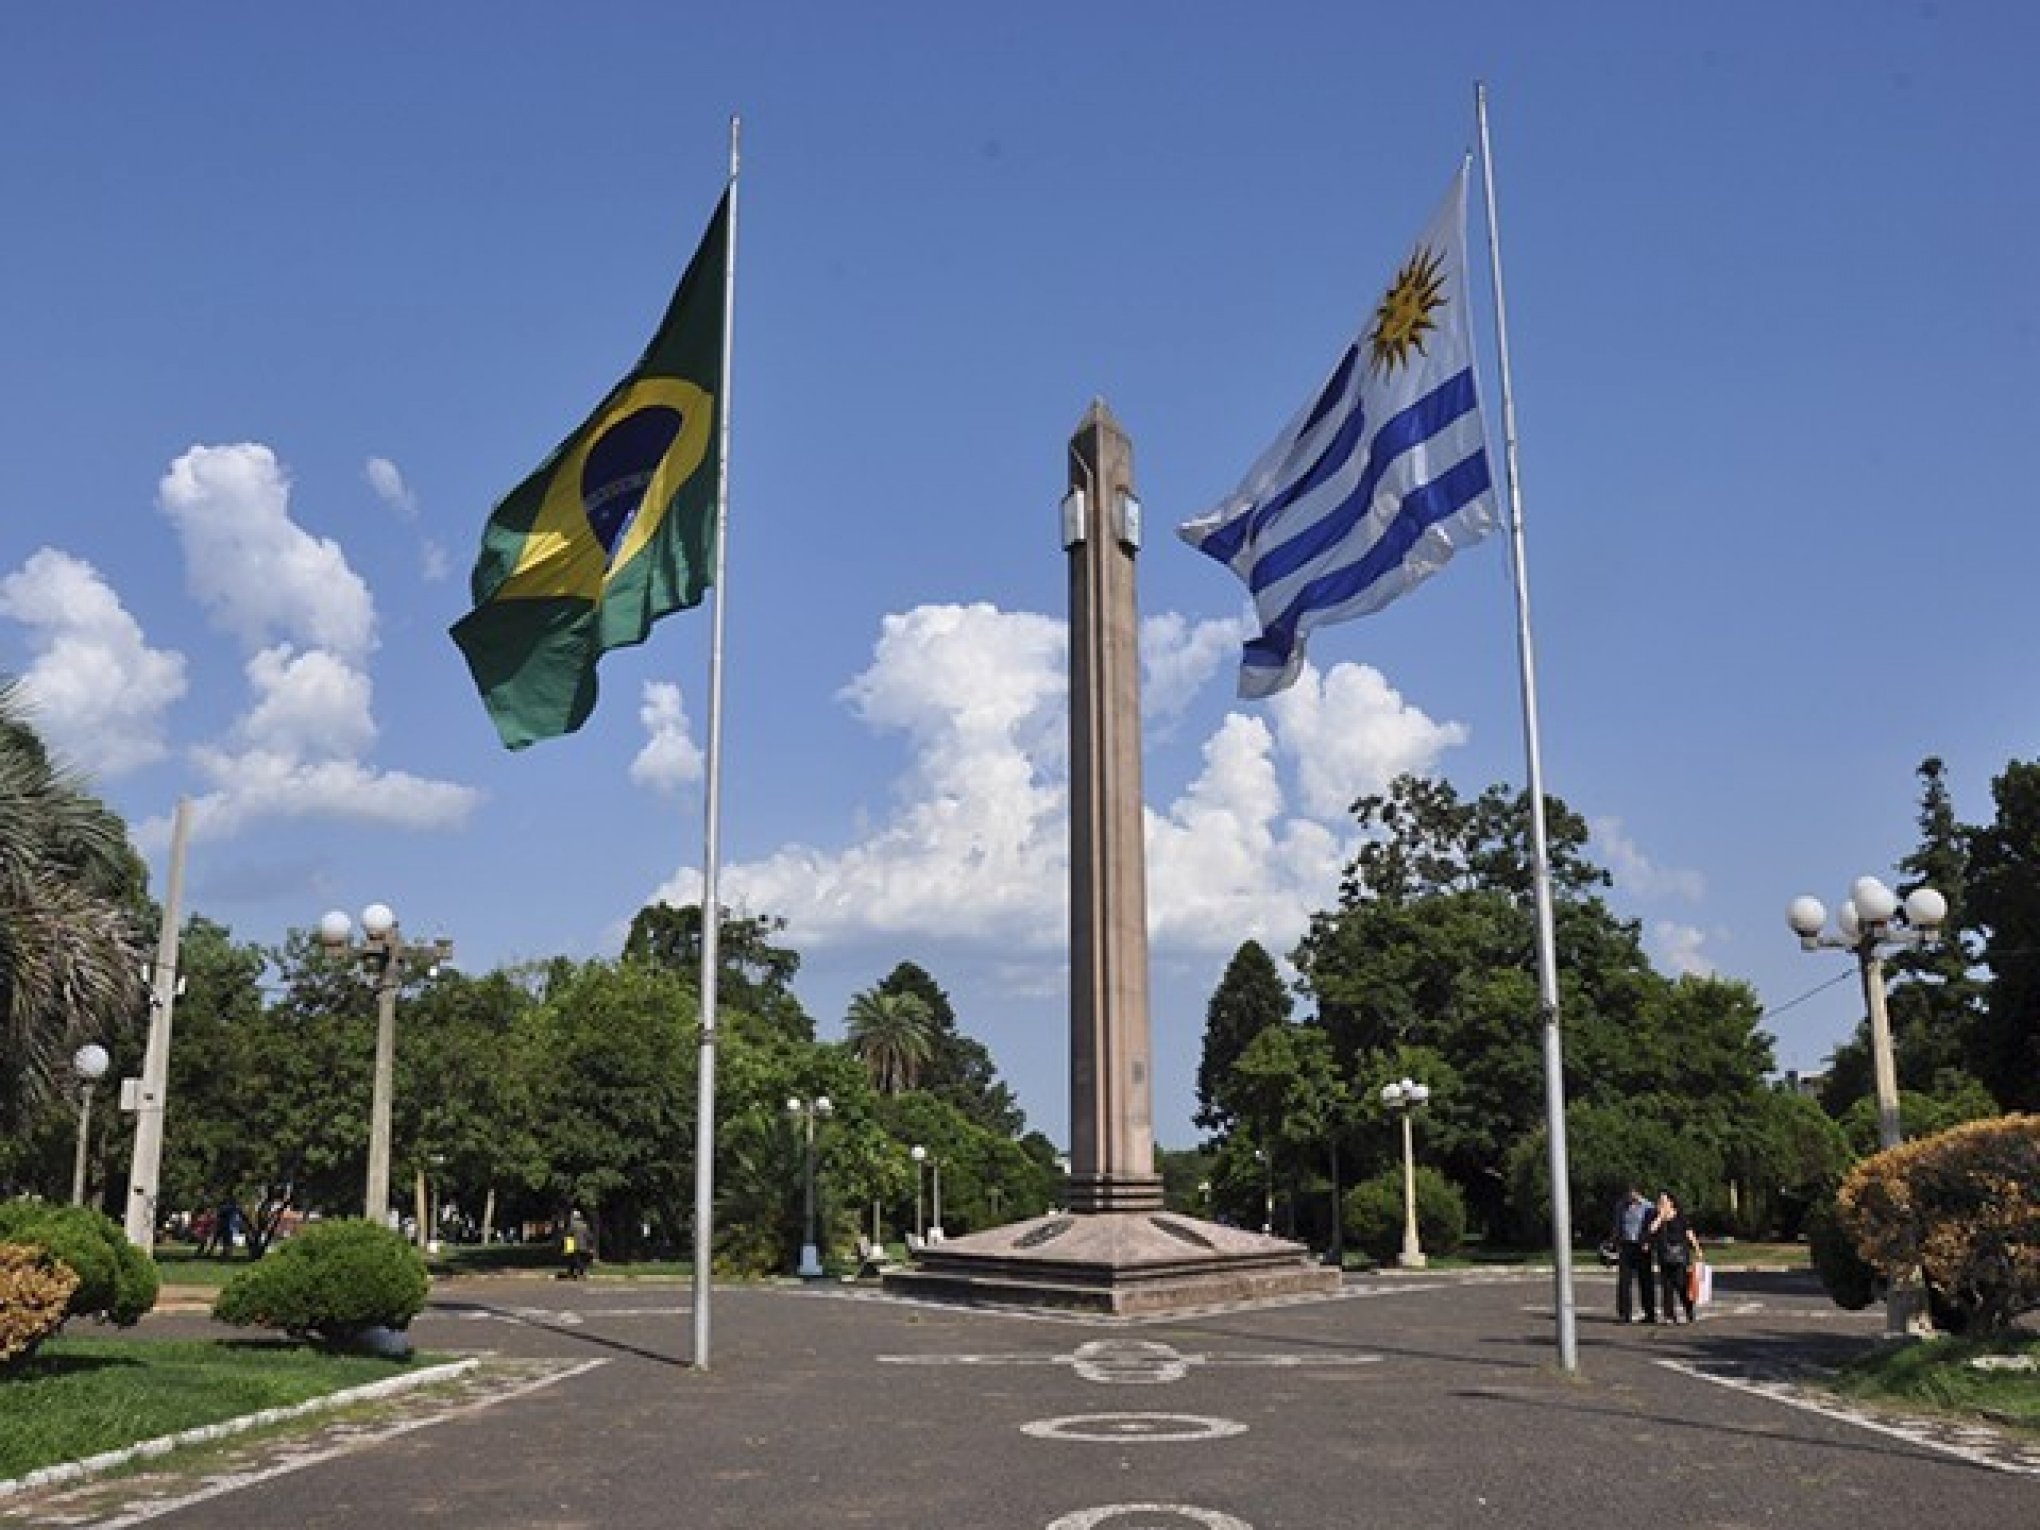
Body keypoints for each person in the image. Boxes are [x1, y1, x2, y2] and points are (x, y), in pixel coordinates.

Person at [1646, 1190, 1702, 1324]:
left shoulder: (1680, 1216)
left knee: (1681, 1284)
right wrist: (1660, 1217)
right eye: (1660, 1201)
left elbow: (1689, 1233)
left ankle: (1689, 1310)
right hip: (1664, 1256)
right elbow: (1651, 1230)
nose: (1661, 1203)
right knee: (1667, 1287)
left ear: (1671, 1202)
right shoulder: (1657, 1217)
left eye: (1664, 1201)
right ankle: (1669, 1315)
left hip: (1680, 1256)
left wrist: (1697, 1248)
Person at [1609, 1184, 1656, 1324]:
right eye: (1628, 1194)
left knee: (1645, 1280)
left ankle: (1649, 1313)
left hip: (1642, 1246)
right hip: (1626, 1244)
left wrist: (1649, 1242)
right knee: (1624, 1281)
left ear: (1638, 1193)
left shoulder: (1648, 1206)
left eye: (1633, 1193)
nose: (1630, 1196)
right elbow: (1618, 1225)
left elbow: (1653, 1227)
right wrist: (1614, 1241)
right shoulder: (1621, 1206)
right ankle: (1624, 1314)